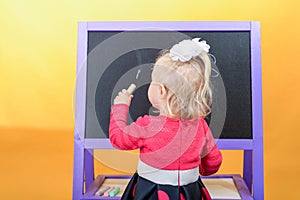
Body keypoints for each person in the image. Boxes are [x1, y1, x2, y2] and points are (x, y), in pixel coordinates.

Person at [109, 38, 222, 200]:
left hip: (152, 193)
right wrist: (198, 169)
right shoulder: (200, 125)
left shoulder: (148, 126)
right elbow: (213, 163)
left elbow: (118, 139)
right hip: (189, 193)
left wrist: (120, 107)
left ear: (161, 91)